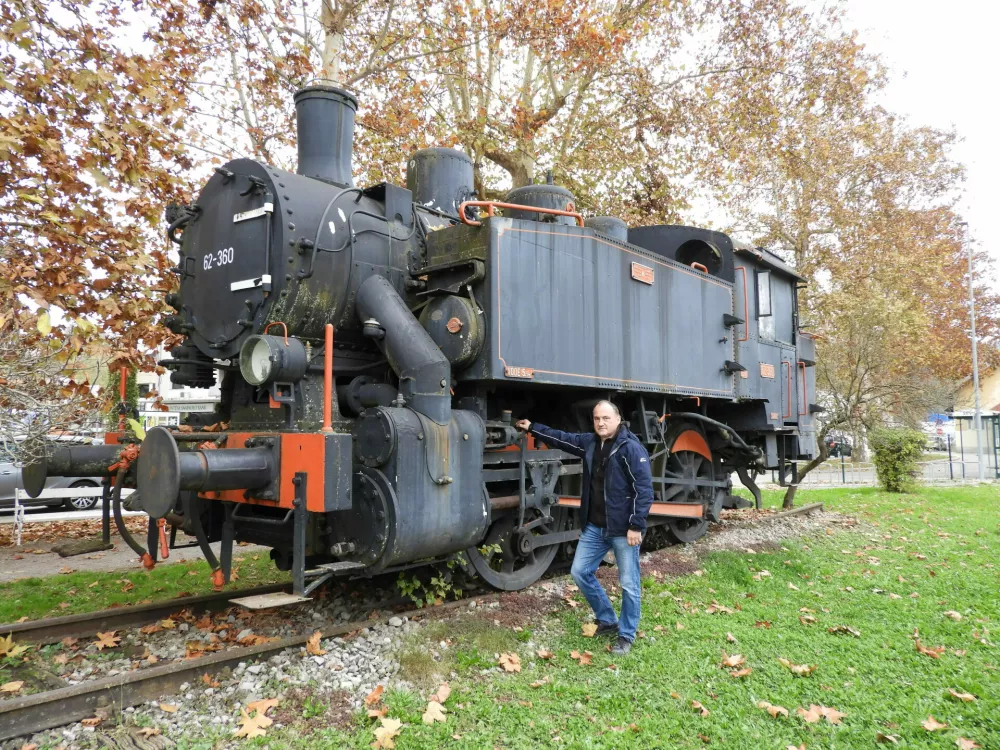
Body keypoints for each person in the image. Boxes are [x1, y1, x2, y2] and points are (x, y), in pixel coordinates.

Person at [515, 400, 653, 655]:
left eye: (606, 418)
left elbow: (644, 491)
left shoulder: (632, 449)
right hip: (596, 527)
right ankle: (608, 618)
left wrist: (636, 525)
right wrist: (533, 427)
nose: (601, 423)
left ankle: (626, 635)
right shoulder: (591, 442)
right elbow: (562, 438)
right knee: (580, 572)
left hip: (622, 529)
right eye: (597, 418)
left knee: (629, 583)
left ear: (618, 419)